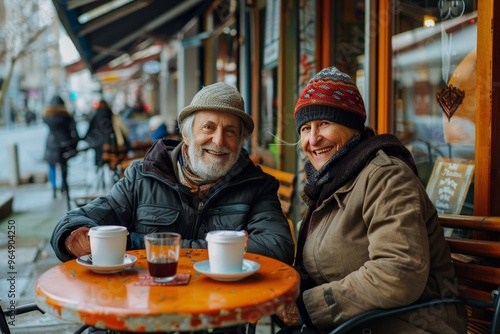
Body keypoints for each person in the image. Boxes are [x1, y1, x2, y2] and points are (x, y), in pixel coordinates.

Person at [50, 82, 295, 333]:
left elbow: (278, 248)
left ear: (240, 141)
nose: (219, 140)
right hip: (138, 320)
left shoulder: (256, 185)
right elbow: (77, 221)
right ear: (187, 135)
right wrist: (74, 237)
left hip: (216, 322)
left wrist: (136, 243)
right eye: (208, 127)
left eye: (231, 131)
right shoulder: (142, 177)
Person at [275, 67, 467, 333]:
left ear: (353, 127)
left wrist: (308, 307)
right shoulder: (331, 182)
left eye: (325, 123)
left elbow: (398, 272)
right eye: (306, 128)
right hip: (355, 323)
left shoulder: (386, 177)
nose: (313, 138)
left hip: (408, 325)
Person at [42, 95, 79, 198]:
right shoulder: (67, 116)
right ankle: (64, 186)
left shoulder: (47, 116)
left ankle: (54, 188)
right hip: (64, 143)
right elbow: (75, 132)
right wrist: (74, 145)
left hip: (51, 143)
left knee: (51, 166)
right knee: (64, 166)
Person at [84, 99, 130, 167]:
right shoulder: (111, 114)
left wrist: (87, 138)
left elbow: (91, 129)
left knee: (102, 161)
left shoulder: (96, 115)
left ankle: (101, 169)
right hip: (112, 141)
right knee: (113, 159)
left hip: (99, 143)